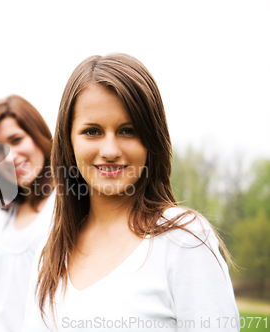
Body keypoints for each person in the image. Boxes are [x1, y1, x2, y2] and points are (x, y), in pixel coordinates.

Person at [23, 54, 239, 331]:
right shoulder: (49, 256)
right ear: (68, 142)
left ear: (153, 140)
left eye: (128, 130)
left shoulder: (184, 240)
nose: (111, 151)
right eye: (92, 131)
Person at [0, 95, 56, 332]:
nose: (10, 158)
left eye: (16, 140)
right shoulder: (3, 218)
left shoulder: (68, 205)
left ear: (39, 136)